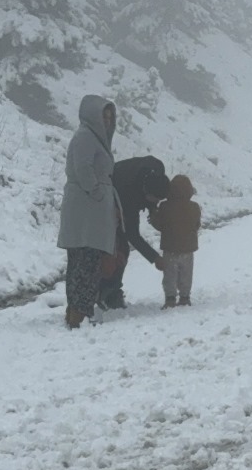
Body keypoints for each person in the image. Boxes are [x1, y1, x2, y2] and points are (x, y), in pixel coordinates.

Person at [57, 95, 119, 329]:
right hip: (86, 209)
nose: (108, 120)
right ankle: (78, 312)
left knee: (87, 261)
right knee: (84, 262)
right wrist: (96, 191)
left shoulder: (93, 138)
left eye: (111, 116)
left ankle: (79, 310)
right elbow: (82, 167)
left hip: (89, 209)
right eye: (104, 116)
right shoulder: (85, 137)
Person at [97, 155, 170, 310]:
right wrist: (155, 258)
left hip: (128, 184)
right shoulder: (128, 194)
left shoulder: (157, 168)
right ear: (144, 193)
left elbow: (153, 186)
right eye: (154, 199)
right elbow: (132, 234)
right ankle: (108, 293)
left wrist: (152, 208)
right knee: (118, 249)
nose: (157, 203)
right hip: (106, 196)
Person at [149, 174, 202, 308]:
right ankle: (185, 297)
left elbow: (160, 225)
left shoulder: (165, 207)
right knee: (186, 274)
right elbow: (197, 224)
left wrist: (153, 218)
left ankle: (170, 298)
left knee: (170, 275)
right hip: (188, 249)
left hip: (170, 249)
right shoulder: (195, 207)